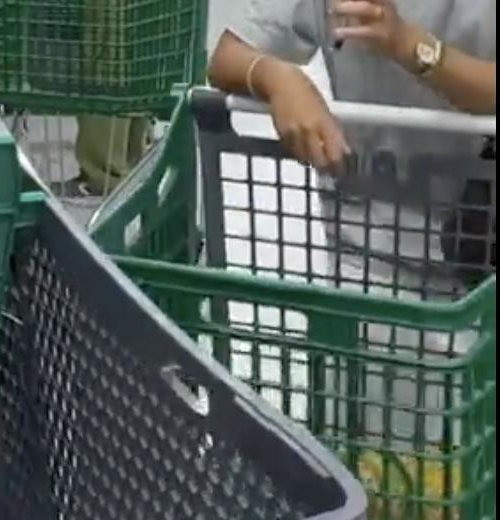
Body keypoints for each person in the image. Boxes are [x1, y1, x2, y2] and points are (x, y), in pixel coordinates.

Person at [208, 0, 494, 455]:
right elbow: (228, 55)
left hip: (481, 248)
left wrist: (412, 47)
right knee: (388, 463)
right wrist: (278, 78)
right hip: (371, 254)